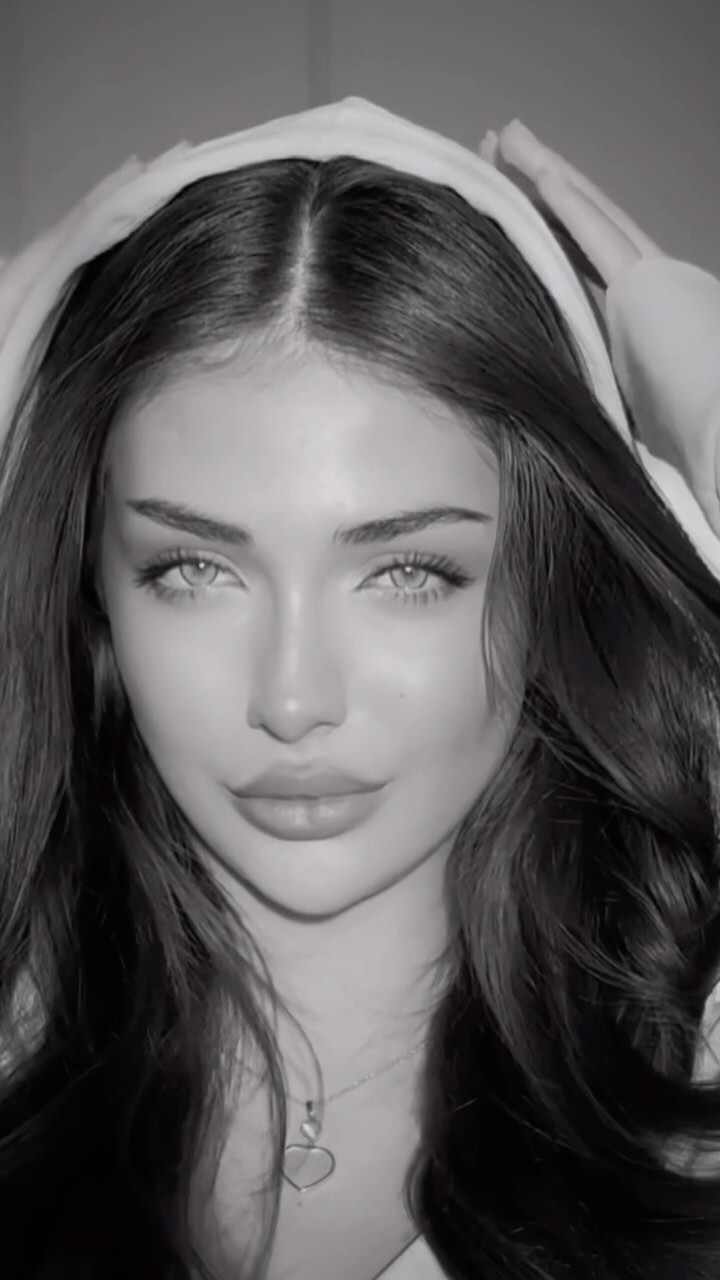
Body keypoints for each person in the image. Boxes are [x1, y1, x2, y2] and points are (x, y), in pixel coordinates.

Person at [1, 96, 720, 1280]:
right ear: (94, 592)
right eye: (193, 568)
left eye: (407, 571)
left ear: (551, 576)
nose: (293, 699)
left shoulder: (689, 1060)